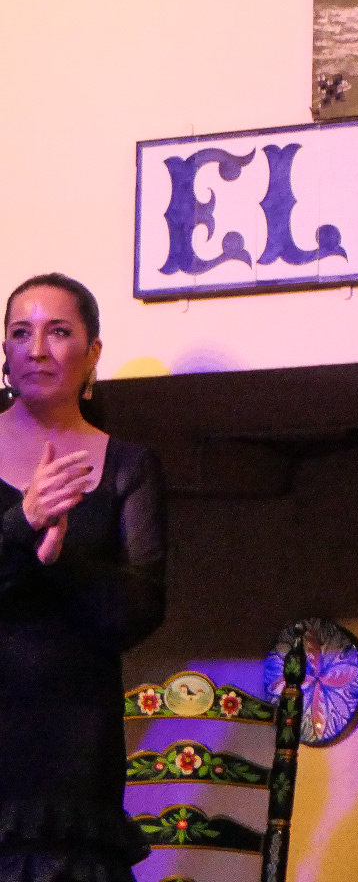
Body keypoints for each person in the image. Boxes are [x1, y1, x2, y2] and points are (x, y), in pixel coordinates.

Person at [0, 273, 167, 882]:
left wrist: (61, 560)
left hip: (77, 736)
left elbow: (140, 609)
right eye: (21, 333)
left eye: (58, 332)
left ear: (93, 351)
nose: (37, 349)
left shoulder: (128, 465)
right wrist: (22, 521)